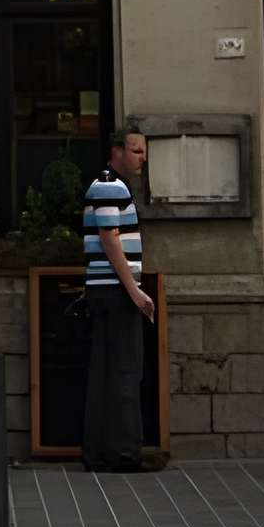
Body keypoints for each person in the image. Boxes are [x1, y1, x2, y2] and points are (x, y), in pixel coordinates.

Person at [82, 127, 154, 473]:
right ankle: (124, 453)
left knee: (106, 372)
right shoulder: (110, 186)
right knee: (126, 370)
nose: (143, 158)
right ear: (117, 151)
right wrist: (134, 290)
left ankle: (99, 452)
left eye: (144, 151)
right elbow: (110, 238)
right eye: (136, 150)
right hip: (115, 291)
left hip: (106, 289)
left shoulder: (107, 185)